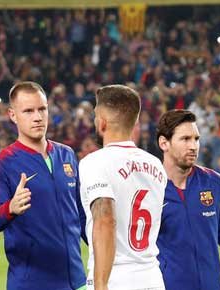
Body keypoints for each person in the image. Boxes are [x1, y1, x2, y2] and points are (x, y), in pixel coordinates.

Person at [0, 81, 85, 290]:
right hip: (32, 284)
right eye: (28, 111)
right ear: (13, 115)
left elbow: (81, 215)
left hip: (77, 281)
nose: (38, 117)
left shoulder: (66, 154)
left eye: (42, 109)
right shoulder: (2, 163)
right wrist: (10, 208)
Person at [156, 109, 220, 290]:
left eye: (196, 139)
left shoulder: (214, 183)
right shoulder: (149, 188)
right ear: (164, 143)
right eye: (185, 139)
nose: (193, 146)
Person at [79, 84, 167, 290]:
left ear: (101, 123)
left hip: (116, 278)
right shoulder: (156, 165)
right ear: (135, 121)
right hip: (152, 277)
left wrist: (101, 284)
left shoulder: (95, 162)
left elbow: (105, 219)